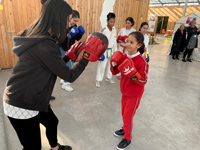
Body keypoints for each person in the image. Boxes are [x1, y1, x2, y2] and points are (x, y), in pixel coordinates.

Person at [2, 0, 108, 150]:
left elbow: (53, 66)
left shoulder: (40, 38)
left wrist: (70, 55)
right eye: (67, 19)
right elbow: (69, 76)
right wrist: (85, 58)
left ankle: (55, 148)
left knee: (52, 122)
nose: (69, 24)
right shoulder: (44, 45)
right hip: (21, 104)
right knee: (32, 147)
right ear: (57, 18)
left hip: (33, 96)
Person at [110, 31, 149, 150]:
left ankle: (127, 138)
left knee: (128, 116)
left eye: (131, 42)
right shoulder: (124, 56)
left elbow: (143, 81)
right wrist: (113, 63)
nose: (128, 44)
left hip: (134, 94)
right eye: (127, 41)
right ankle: (125, 128)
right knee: (124, 113)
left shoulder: (141, 61)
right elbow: (115, 72)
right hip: (124, 91)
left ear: (138, 45)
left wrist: (133, 74)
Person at [59, 10, 85, 92]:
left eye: (77, 21)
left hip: (71, 49)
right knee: (69, 66)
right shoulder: (63, 26)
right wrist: (68, 35)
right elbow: (60, 39)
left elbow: (76, 38)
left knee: (70, 64)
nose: (75, 22)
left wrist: (80, 34)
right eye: (74, 20)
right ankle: (65, 84)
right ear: (69, 18)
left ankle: (63, 79)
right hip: (62, 48)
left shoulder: (74, 26)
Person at [95, 12, 117, 87]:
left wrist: (115, 51)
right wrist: (99, 52)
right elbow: (99, 41)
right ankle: (98, 80)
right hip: (104, 50)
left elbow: (114, 41)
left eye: (113, 22)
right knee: (102, 66)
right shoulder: (103, 30)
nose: (112, 23)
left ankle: (109, 77)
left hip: (111, 50)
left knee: (110, 65)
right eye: (111, 22)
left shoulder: (114, 30)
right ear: (107, 21)